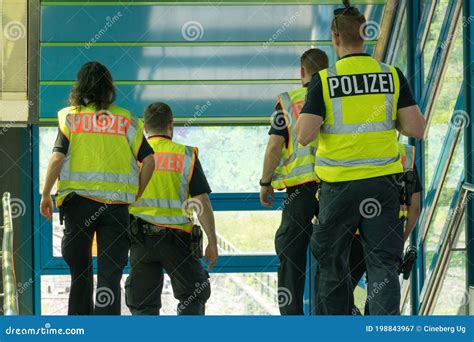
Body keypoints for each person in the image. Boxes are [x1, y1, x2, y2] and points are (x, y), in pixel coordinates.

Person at [294, 4, 425, 315]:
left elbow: (304, 135)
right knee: (383, 264)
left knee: (332, 264)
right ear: (366, 35)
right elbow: (416, 128)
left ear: (335, 36)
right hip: (383, 186)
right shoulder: (391, 75)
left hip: (338, 189)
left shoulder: (325, 80)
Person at [40, 61, 155, 315]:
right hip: (116, 208)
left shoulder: (72, 116)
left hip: (79, 204)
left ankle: (80, 330)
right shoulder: (126, 119)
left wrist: (46, 193)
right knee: (110, 276)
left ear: (80, 86)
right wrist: (136, 192)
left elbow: (58, 157)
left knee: (80, 275)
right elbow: (149, 160)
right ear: (109, 88)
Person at [126, 102, 218, 315]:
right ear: (171, 125)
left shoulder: (133, 157)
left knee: (142, 304)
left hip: (141, 240)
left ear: (144, 128)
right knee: (193, 296)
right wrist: (212, 242)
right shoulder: (185, 156)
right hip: (178, 241)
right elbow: (202, 202)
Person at [259, 49, 328, 315]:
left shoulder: (288, 102)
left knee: (290, 255)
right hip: (334, 188)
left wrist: (265, 182)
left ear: (302, 72)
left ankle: (292, 322)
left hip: (300, 191)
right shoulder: (336, 96)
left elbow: (275, 146)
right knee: (332, 256)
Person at [350, 143, 422, 315]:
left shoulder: (346, 150)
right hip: (387, 235)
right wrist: (400, 239)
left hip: (349, 238)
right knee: (382, 293)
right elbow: (415, 208)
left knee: (337, 291)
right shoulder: (406, 155)